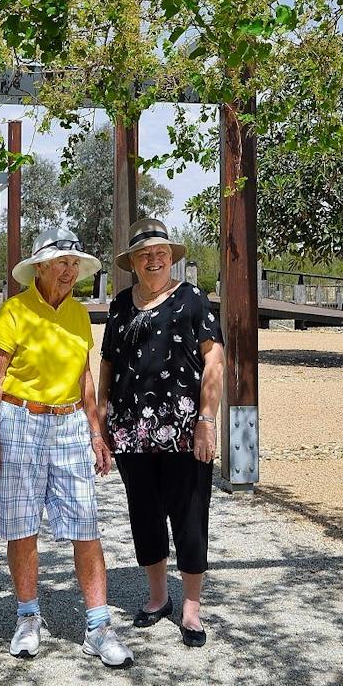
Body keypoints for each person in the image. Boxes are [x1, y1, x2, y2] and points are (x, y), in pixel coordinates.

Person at [0, 234, 134, 668]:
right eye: (59, 263)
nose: (68, 271)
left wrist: (96, 433)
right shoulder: (14, 311)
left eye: (73, 264)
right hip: (20, 420)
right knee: (22, 523)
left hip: (69, 422)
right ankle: (28, 618)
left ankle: (99, 627)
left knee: (86, 523)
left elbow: (85, 378)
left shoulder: (80, 315)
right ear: (40, 269)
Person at [98, 217, 224, 647]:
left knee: (189, 515)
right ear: (132, 262)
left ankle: (191, 607)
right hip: (131, 431)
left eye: (160, 253)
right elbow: (108, 364)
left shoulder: (193, 299)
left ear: (170, 258)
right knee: (144, 514)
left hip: (185, 431)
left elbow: (215, 362)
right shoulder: (119, 305)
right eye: (144, 255)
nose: (153, 260)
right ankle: (158, 597)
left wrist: (207, 420)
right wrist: (102, 418)